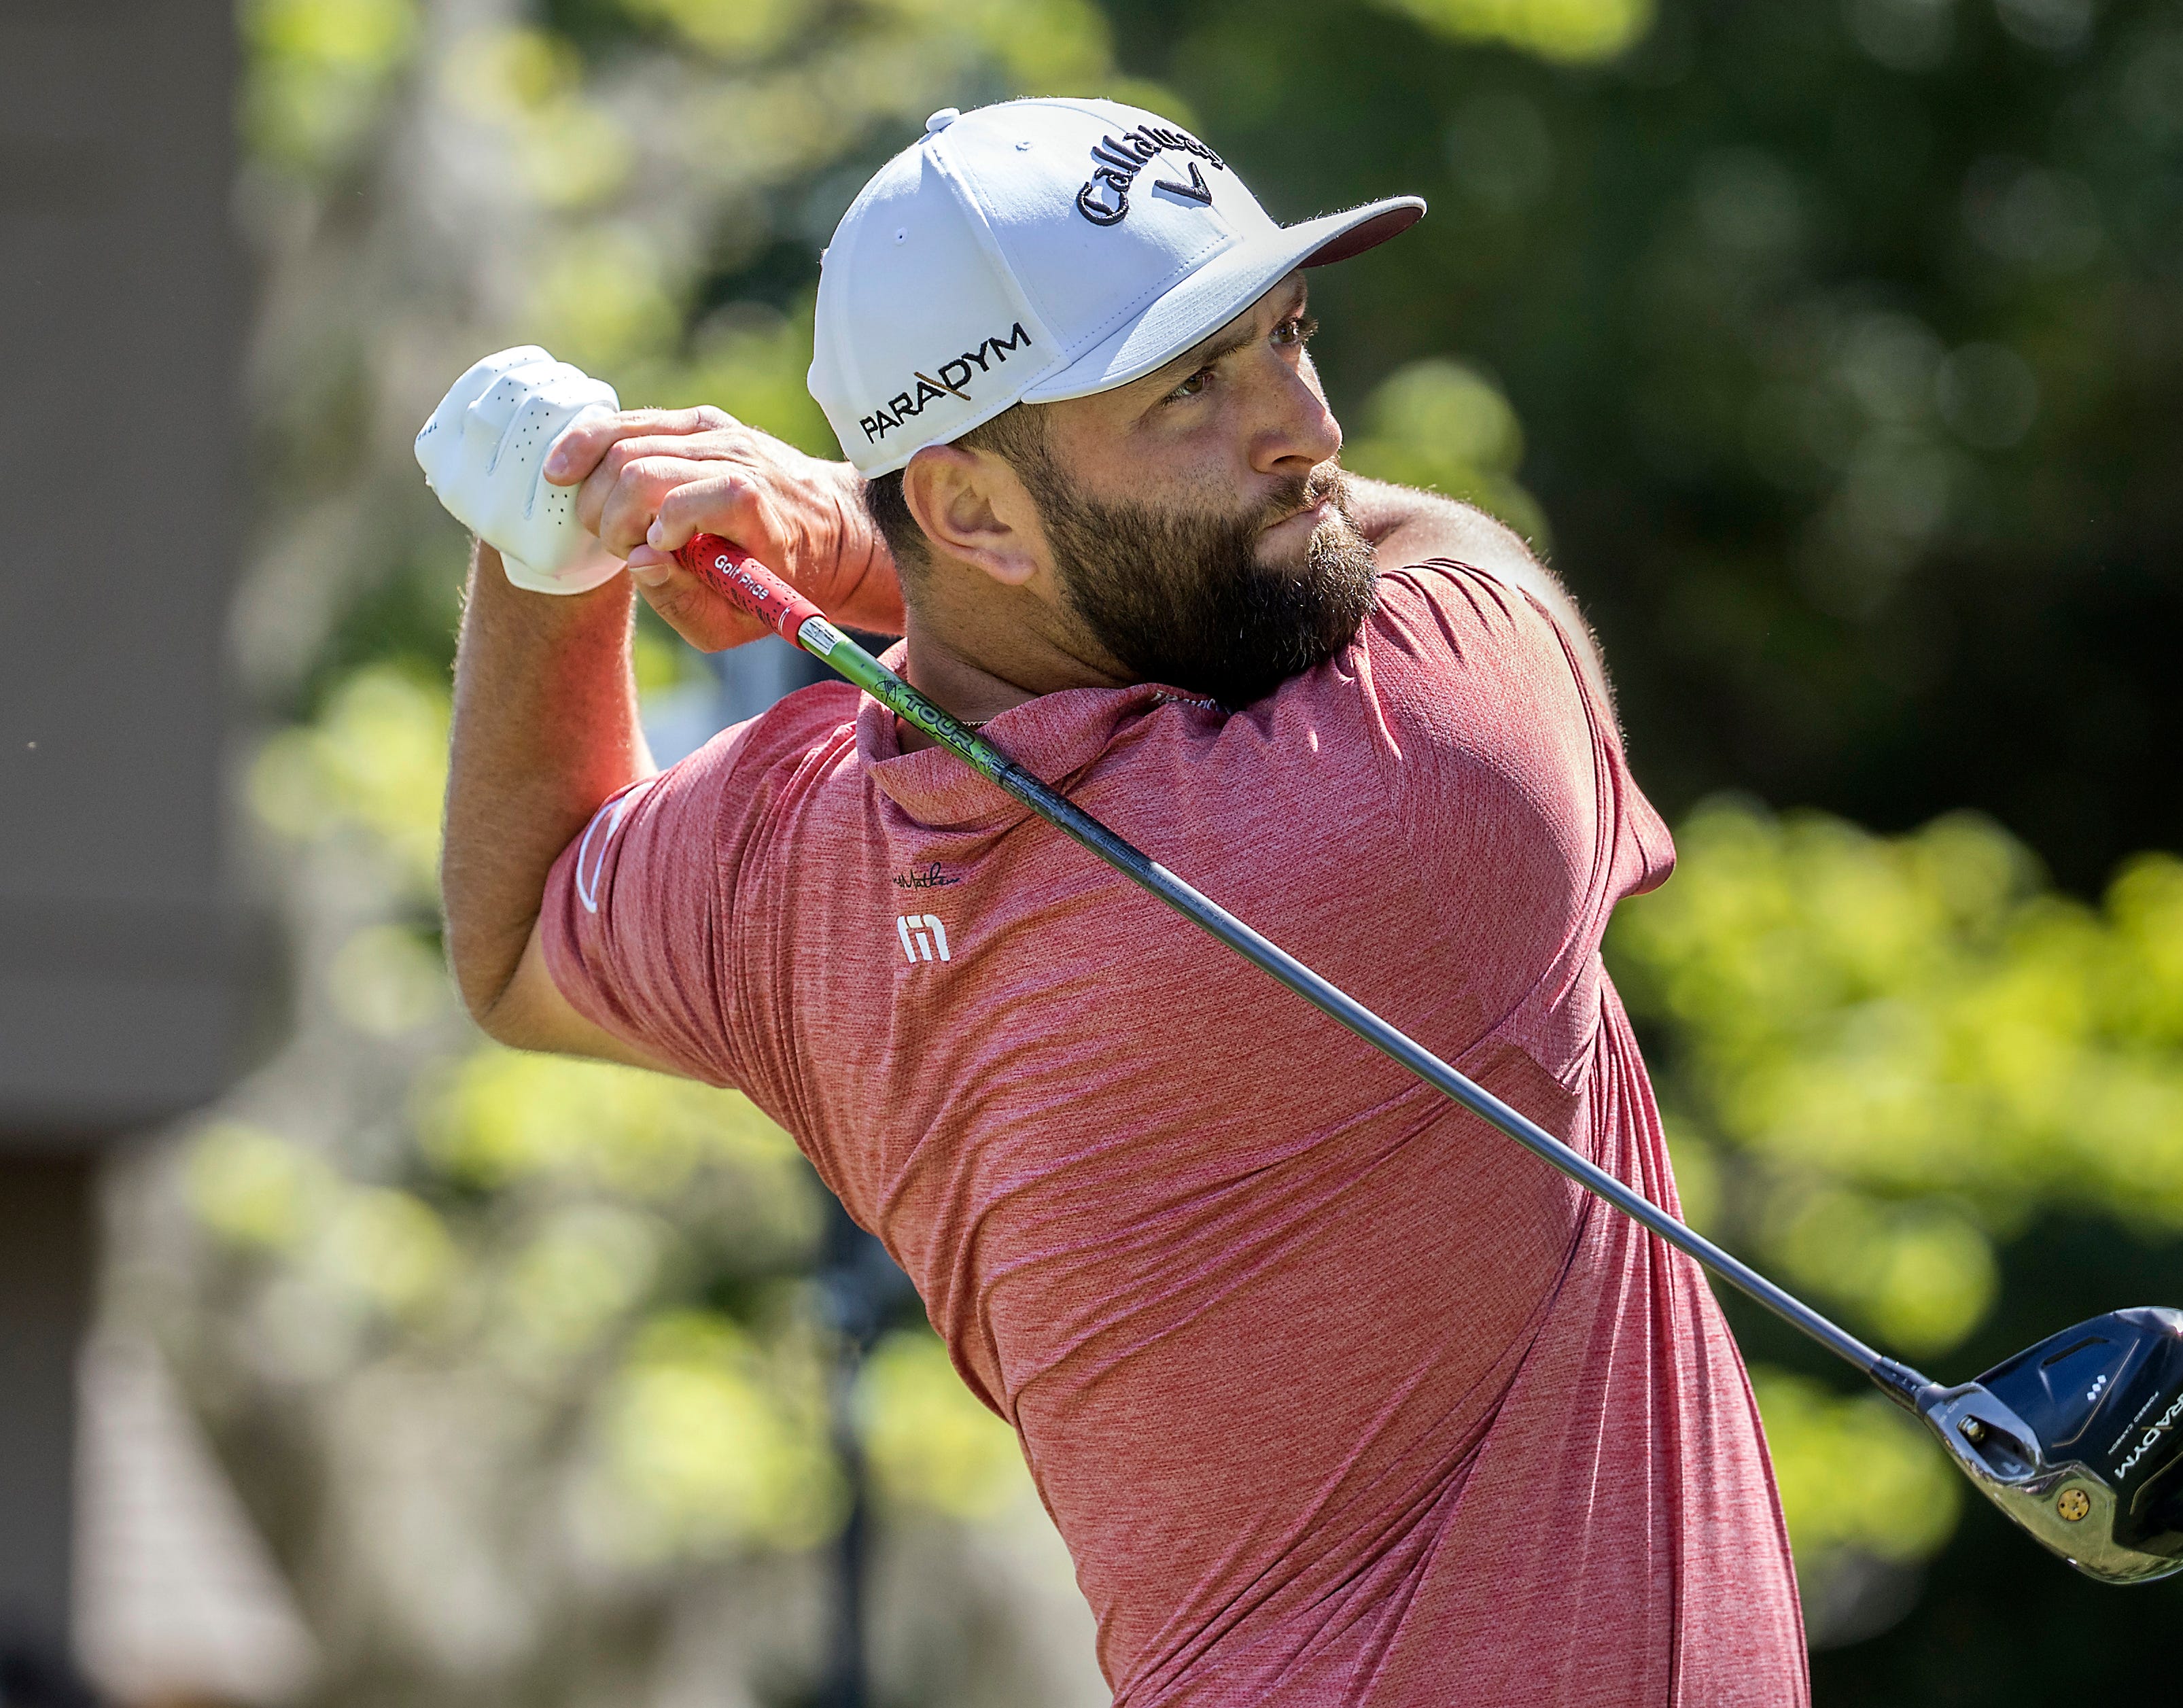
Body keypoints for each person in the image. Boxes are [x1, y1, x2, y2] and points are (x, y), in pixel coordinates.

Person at [436, 97, 1808, 1705]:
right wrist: (847, 530)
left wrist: (541, 560)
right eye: (1189, 390)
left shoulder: (784, 867)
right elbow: (1432, 557)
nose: (1305, 427)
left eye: (1285, 333)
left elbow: (519, 932)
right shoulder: (1420, 775)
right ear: (970, 510)